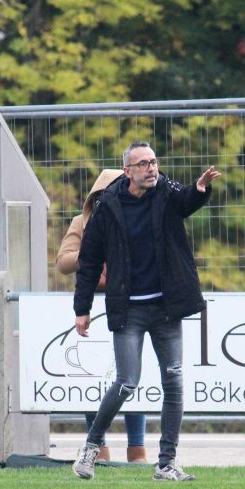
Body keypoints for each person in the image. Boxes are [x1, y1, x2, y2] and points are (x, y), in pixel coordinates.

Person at [71, 141, 220, 481]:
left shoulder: (166, 191)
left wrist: (199, 190)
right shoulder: (107, 206)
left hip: (166, 308)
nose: (152, 168)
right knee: (126, 383)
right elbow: (89, 261)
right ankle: (90, 449)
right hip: (129, 310)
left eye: (154, 162)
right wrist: (82, 308)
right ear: (128, 171)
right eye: (143, 164)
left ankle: (166, 463)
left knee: (174, 381)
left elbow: (185, 203)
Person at [55, 168, 148, 463]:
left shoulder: (138, 218)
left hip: (129, 304)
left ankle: (138, 448)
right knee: (92, 378)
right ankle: (100, 447)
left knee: (130, 377)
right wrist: (91, 255)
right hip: (94, 309)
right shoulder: (81, 223)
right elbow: (62, 262)